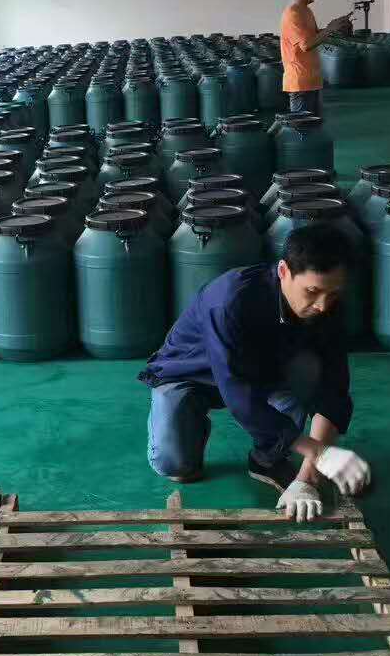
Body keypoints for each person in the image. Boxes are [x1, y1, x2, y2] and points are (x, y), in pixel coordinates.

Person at [140, 223, 370, 522]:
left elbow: (333, 389)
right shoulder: (229, 299)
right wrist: (319, 452)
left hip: (264, 372)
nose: (323, 306)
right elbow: (238, 392)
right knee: (176, 466)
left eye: (333, 293)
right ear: (284, 271)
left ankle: (266, 457)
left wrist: (307, 478)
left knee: (309, 370)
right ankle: (191, 423)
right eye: (312, 291)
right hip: (191, 373)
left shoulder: (328, 306)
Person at [280, 0, 353, 116]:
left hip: (312, 80)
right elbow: (306, 45)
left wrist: (335, 27)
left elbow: (313, 35)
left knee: (314, 125)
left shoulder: (306, 10)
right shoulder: (293, 14)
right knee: (303, 127)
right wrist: (330, 29)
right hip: (300, 83)